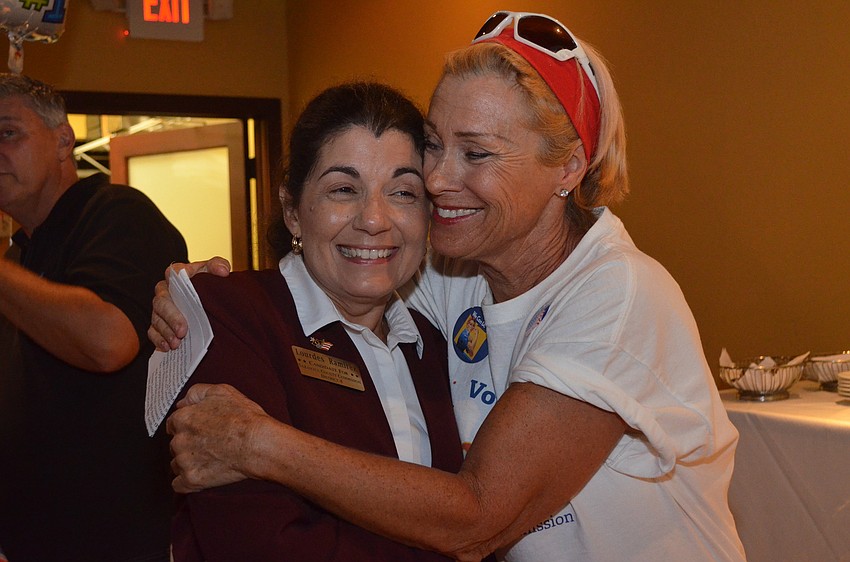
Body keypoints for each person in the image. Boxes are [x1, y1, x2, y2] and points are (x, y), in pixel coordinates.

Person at [153, 12, 745, 561]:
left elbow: (479, 517)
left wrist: (262, 445)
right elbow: (355, 264)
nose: (436, 178)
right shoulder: (451, 270)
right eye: (434, 143)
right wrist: (200, 296)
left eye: (477, 153)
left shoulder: (617, 294)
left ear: (569, 167)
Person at [162, 82, 469, 561]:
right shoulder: (228, 316)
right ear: (293, 210)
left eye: (403, 192)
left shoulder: (433, 347)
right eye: (343, 189)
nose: (374, 219)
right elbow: (262, 545)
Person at [0, 74, 188, 562]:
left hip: (114, 537)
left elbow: (108, 342)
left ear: (64, 140)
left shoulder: (118, 214)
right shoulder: (19, 255)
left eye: (7, 133)